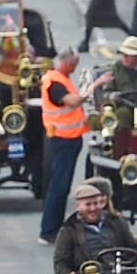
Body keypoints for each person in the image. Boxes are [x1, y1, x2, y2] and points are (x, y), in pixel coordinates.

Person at [54, 182, 137, 274]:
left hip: (121, 273)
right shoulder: (69, 229)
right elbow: (60, 262)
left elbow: (135, 249)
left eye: (96, 204)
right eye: (88, 205)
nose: (93, 208)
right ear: (78, 206)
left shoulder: (116, 221)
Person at [38, 45, 92, 244]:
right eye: (75, 65)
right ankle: (48, 230)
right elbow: (74, 101)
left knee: (62, 184)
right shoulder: (55, 83)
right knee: (59, 186)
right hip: (63, 138)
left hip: (69, 137)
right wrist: (93, 87)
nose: (75, 69)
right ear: (68, 62)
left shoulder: (60, 79)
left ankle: (53, 228)